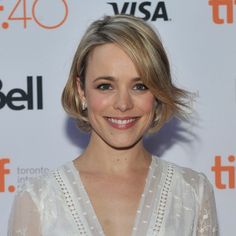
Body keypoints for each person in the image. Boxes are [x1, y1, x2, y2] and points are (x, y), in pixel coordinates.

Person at [8, 15, 218, 236]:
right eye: (105, 86)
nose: (123, 104)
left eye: (140, 86)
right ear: (81, 91)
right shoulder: (38, 200)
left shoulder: (192, 192)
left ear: (156, 92)